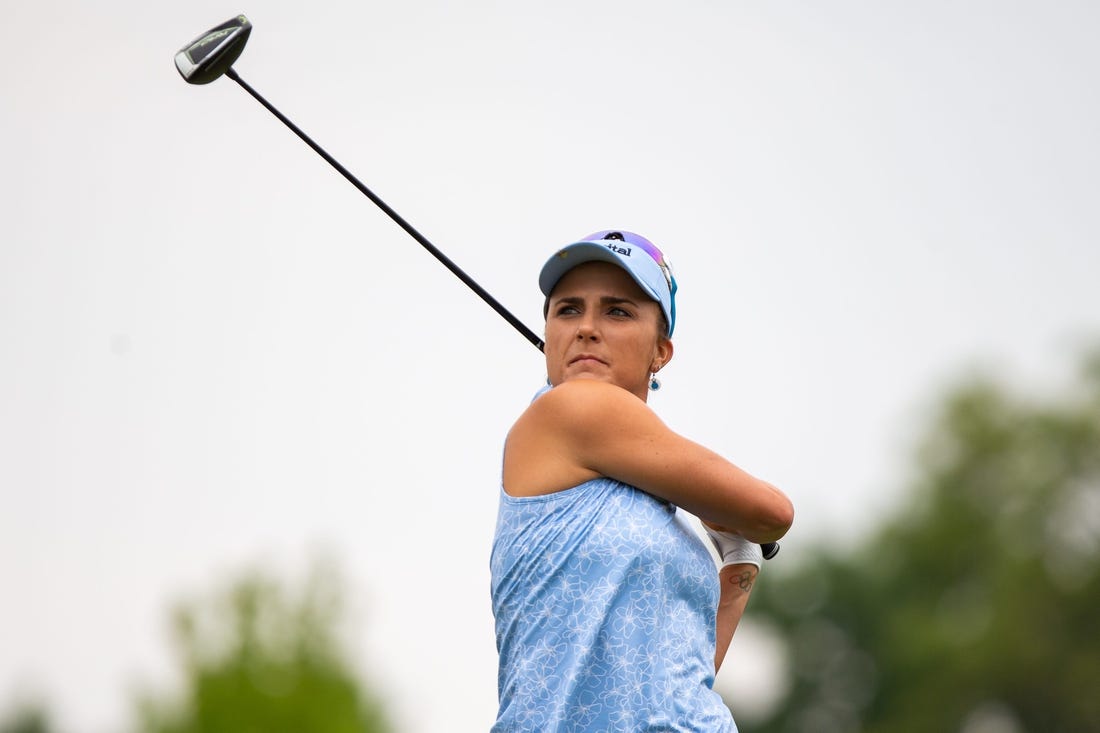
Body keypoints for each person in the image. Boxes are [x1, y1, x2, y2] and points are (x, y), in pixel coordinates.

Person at [489, 230, 794, 732]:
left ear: (661, 351)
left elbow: (673, 684)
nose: (586, 328)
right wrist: (739, 520)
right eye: (568, 310)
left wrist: (736, 569)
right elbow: (774, 513)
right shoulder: (568, 409)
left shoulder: (644, 500)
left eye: (617, 311)